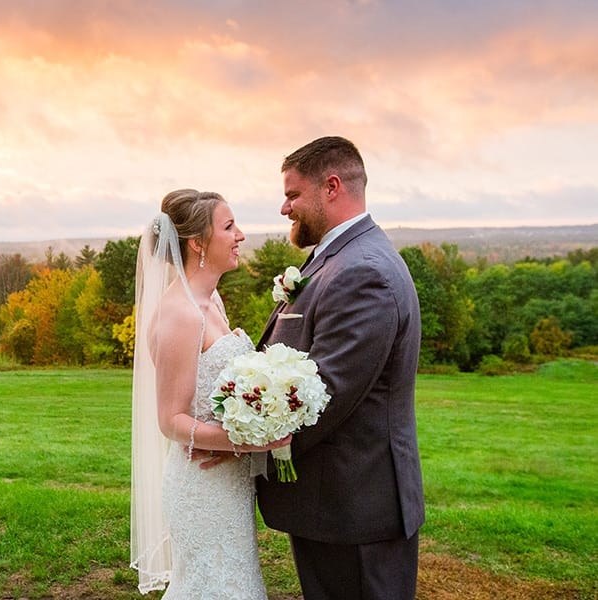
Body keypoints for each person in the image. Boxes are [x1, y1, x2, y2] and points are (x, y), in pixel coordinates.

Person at [255, 136, 425, 599]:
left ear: (331, 187)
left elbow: (326, 395)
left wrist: (242, 443)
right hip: (334, 506)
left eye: (292, 194)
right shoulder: (338, 258)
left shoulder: (362, 271)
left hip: (356, 507)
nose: (284, 208)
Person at [130, 189, 291, 599]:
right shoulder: (181, 314)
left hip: (229, 484)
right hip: (201, 485)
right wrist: (250, 441)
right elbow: (171, 420)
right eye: (229, 226)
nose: (240, 235)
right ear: (198, 244)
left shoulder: (211, 301)